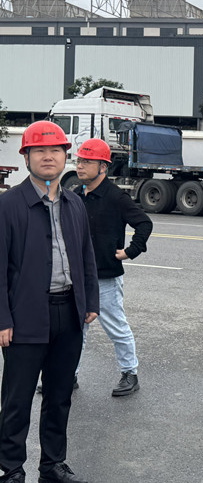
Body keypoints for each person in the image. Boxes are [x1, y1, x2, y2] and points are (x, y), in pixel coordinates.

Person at [0, 121, 99, 483]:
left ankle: (52, 465)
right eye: (39, 150)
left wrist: (90, 301)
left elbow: (86, 256)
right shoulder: (8, 205)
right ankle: (11, 469)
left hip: (68, 314)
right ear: (26, 157)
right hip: (24, 317)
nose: (47, 156)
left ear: (64, 157)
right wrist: (2, 318)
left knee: (59, 397)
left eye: (55, 150)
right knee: (17, 400)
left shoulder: (74, 203)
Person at [75, 138, 152, 396]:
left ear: (103, 167)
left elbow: (144, 223)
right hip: (78, 277)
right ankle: (68, 374)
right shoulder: (75, 195)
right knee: (75, 329)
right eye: (79, 160)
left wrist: (131, 251)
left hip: (106, 277)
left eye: (87, 162)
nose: (80, 166)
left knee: (116, 327)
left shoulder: (116, 197)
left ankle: (130, 373)